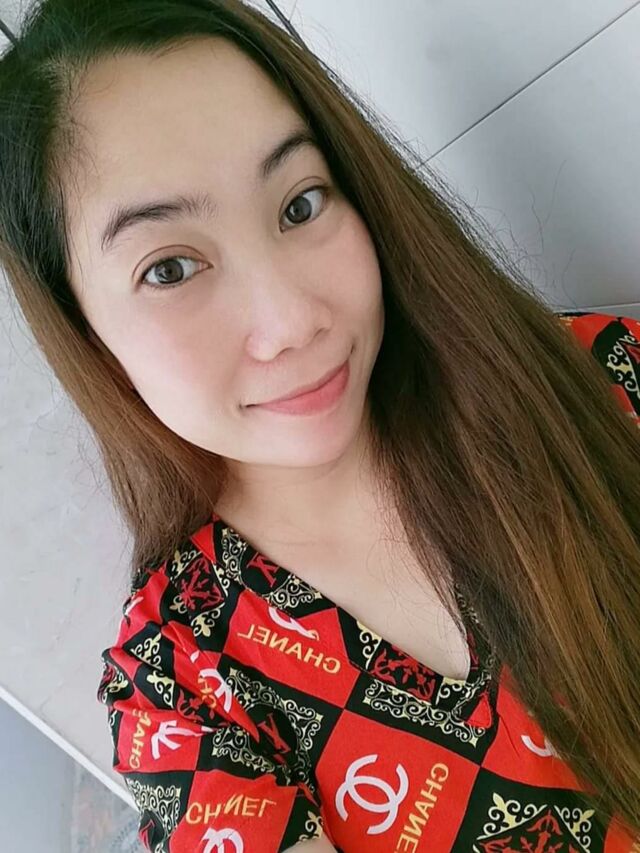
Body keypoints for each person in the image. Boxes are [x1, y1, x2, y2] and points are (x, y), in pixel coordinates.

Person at [1, 0, 639, 850]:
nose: (291, 322)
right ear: (88, 334)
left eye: (300, 205)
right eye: (171, 267)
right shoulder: (184, 687)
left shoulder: (595, 383)